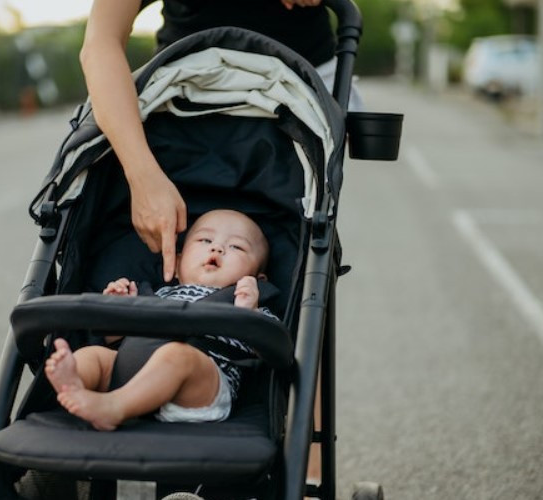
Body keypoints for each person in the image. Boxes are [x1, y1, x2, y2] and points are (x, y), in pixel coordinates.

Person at [79, 0, 363, 285]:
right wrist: (143, 176)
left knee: (310, 217)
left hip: (301, 88)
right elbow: (100, 44)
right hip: (185, 86)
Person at [44, 209, 278, 431]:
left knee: (177, 355)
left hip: (199, 388)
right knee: (93, 355)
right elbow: (114, 339)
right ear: (176, 264)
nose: (217, 248)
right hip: (132, 373)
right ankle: (73, 385)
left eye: (236, 246)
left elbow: (274, 350)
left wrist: (250, 315)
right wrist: (119, 310)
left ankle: (113, 407)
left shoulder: (248, 305)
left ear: (258, 279)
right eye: (205, 241)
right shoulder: (157, 295)